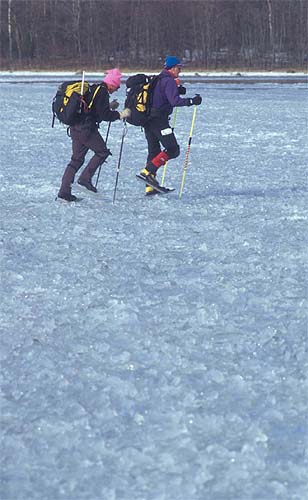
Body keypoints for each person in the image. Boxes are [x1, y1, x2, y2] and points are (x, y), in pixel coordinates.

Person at [58, 68, 131, 202]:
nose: (117, 88)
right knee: (102, 152)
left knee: (76, 160)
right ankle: (85, 179)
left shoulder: (95, 89)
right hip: (86, 129)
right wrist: (120, 115)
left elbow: (93, 109)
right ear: (111, 83)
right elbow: (104, 115)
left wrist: (109, 106)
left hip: (76, 128)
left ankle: (64, 191)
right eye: (117, 85)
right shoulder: (102, 92)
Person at [138, 56, 202, 195]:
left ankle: (150, 187)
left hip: (148, 120)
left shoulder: (158, 79)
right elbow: (174, 101)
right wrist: (192, 101)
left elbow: (161, 96)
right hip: (159, 120)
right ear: (172, 68)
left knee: (154, 152)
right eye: (179, 68)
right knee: (173, 149)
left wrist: (177, 90)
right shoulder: (169, 81)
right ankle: (147, 172)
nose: (180, 71)